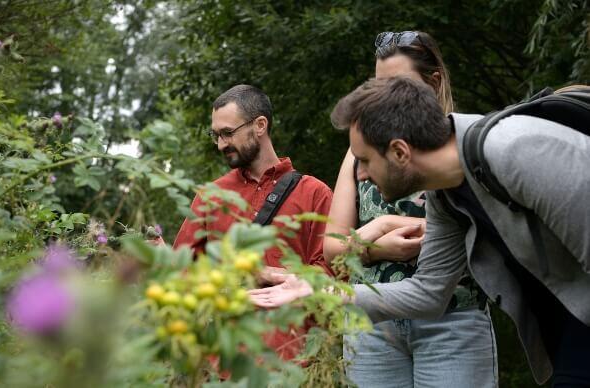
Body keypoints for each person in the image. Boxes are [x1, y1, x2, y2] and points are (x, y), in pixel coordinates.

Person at [250, 77, 590, 386]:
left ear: (399, 151)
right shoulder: (447, 194)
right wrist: (319, 291)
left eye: (365, 160)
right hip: (570, 325)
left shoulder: (515, 151)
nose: (362, 175)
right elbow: (429, 294)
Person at [322, 31, 496, 388]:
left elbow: (488, 234)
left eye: (397, 85)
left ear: (434, 82)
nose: (382, 98)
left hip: (453, 318)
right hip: (372, 325)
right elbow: (332, 248)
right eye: (377, 85)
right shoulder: (359, 155)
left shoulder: (466, 147)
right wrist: (376, 245)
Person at [173, 84, 333, 359]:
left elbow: (334, 273)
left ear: (260, 125)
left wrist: (270, 275)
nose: (222, 144)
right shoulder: (211, 196)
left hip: (294, 359)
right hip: (226, 360)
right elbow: (182, 272)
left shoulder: (314, 193)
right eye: (216, 135)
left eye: (228, 133)